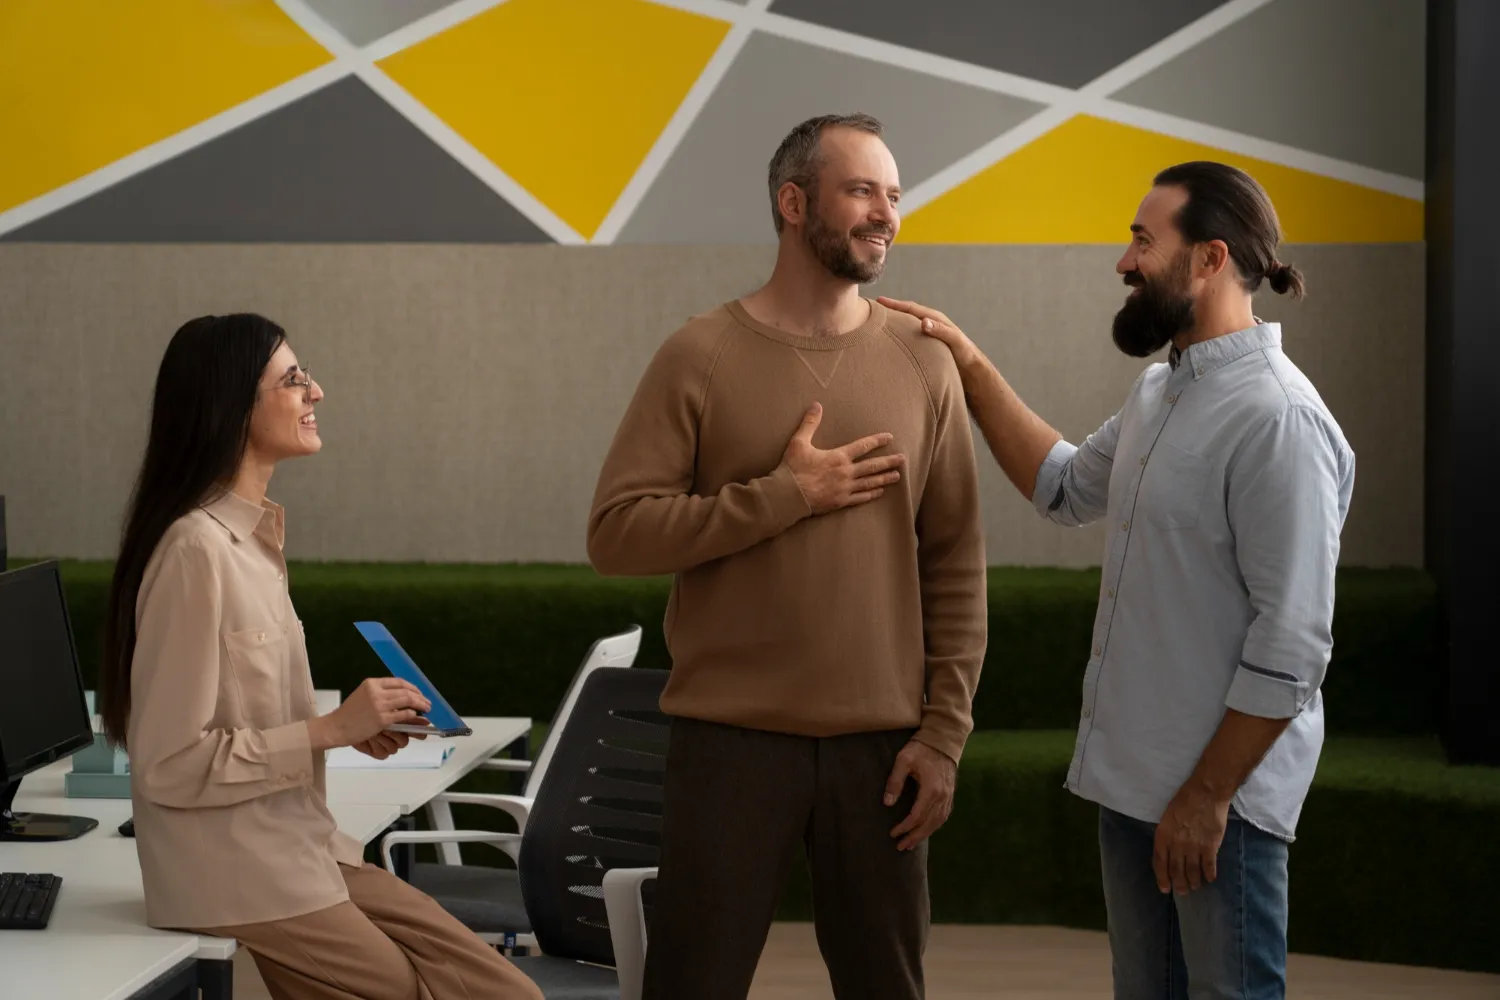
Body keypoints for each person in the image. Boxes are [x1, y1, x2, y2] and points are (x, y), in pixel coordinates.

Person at [880, 161, 1354, 1000]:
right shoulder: (1158, 392)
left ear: (1209, 259)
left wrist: (1207, 798)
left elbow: (1293, 646)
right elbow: (1062, 487)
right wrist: (967, 359)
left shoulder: (1279, 419)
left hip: (1221, 807)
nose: (1124, 262)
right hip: (1135, 789)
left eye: (1142, 240)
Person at [587, 112, 988, 1000]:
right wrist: (784, 497)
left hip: (883, 752)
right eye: (861, 191)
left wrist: (943, 735)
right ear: (792, 201)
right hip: (728, 745)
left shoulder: (926, 362)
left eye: (894, 194)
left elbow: (955, 564)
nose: (885, 212)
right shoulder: (699, 354)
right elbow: (616, 535)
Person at [97, 314, 542, 1000]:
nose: (317, 392)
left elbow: (246, 722)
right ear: (233, 406)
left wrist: (344, 735)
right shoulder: (195, 552)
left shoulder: (253, 541)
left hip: (303, 849)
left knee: (511, 992)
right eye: (294, 379)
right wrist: (327, 730)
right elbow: (168, 765)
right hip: (238, 876)